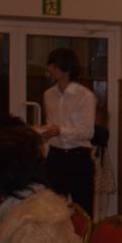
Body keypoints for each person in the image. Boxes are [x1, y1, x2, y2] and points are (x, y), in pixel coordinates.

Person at [41, 47, 97, 216]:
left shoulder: (85, 95)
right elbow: (51, 124)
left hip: (78, 158)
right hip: (54, 156)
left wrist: (60, 131)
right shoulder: (48, 94)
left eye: (54, 65)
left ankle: (83, 235)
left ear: (67, 68)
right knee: (51, 211)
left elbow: (87, 132)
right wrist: (45, 133)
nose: (50, 69)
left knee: (83, 210)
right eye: (50, 64)